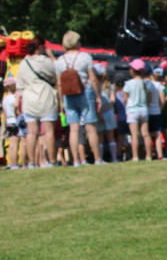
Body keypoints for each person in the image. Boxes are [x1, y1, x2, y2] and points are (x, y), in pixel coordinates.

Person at [54, 31, 104, 166]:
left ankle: (76, 160)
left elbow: (59, 83)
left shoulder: (59, 60)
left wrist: (61, 101)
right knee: (91, 127)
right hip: (85, 92)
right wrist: (98, 95)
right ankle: (98, 159)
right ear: (75, 42)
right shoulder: (85, 57)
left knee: (74, 128)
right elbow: (93, 78)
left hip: (68, 95)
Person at [15, 37, 58, 169]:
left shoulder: (23, 63)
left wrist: (21, 98)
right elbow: (57, 72)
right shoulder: (46, 61)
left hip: (29, 99)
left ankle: (32, 162)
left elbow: (20, 85)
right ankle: (51, 161)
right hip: (45, 97)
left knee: (31, 132)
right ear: (39, 47)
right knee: (49, 131)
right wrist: (52, 56)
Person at [123, 60, 152, 162]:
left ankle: (135, 157)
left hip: (132, 110)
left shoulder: (128, 84)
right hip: (144, 109)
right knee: (146, 134)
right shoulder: (147, 84)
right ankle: (148, 155)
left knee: (134, 135)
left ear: (133, 71)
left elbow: (125, 99)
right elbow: (149, 98)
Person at [93, 64, 118, 163]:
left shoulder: (95, 87)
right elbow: (112, 101)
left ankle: (100, 157)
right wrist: (105, 109)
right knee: (110, 136)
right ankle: (114, 157)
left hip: (99, 113)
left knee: (100, 137)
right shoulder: (110, 86)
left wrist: (100, 112)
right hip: (109, 113)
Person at [3, 76, 24, 169]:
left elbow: (5, 113)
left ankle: (12, 163)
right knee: (16, 144)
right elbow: (16, 108)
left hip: (8, 122)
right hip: (15, 122)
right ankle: (15, 163)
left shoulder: (5, 98)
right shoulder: (13, 98)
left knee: (11, 145)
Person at [146, 66, 166, 160]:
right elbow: (163, 100)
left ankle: (149, 154)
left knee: (148, 134)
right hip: (156, 111)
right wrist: (160, 108)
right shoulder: (159, 85)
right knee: (157, 134)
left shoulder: (146, 84)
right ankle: (160, 155)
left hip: (147, 111)